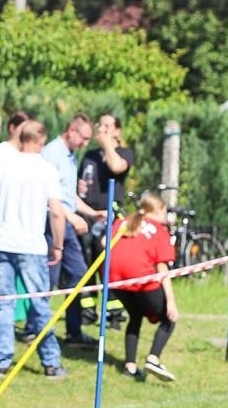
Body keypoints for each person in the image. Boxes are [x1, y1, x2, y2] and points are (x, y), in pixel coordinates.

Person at [0, 120, 67, 378]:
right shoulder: (46, 170)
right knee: (40, 305)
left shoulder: (4, 167)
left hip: (3, 244)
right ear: (41, 141)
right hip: (32, 247)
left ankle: (2, 361)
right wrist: (58, 245)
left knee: (4, 304)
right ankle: (51, 362)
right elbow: (57, 212)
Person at [107, 191, 178, 381]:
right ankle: (153, 358)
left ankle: (130, 366)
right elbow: (162, 265)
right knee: (168, 319)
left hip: (116, 281)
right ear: (158, 210)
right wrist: (170, 301)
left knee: (135, 316)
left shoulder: (123, 221)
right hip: (142, 281)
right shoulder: (158, 229)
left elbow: (104, 243)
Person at [41, 113, 94, 344]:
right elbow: (47, 196)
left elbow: (68, 195)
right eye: (83, 138)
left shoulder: (71, 157)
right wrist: (71, 218)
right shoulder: (53, 153)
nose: (85, 144)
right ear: (71, 131)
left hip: (66, 221)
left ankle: (73, 331)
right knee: (49, 279)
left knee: (77, 276)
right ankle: (37, 328)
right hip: (53, 222)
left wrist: (92, 213)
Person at [77, 112, 133, 229]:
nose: (101, 129)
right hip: (87, 212)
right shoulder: (90, 155)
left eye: (106, 126)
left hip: (109, 213)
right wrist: (79, 186)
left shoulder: (124, 153)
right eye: (100, 125)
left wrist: (106, 143)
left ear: (117, 131)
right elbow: (80, 178)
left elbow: (116, 167)